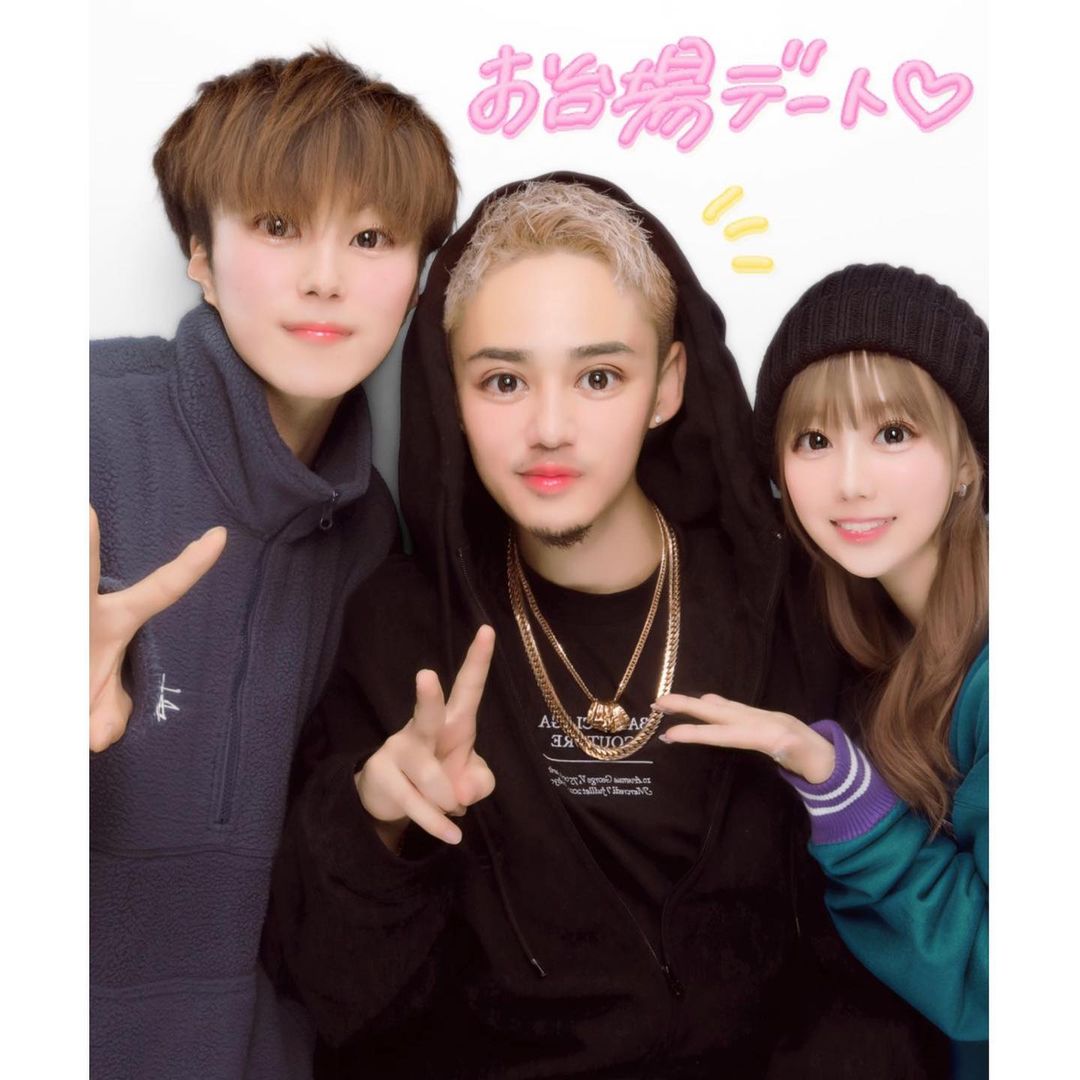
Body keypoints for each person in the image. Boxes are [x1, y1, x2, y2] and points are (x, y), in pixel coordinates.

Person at [266, 180, 946, 1078]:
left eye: (598, 377)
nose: (550, 429)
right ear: (450, 393)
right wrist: (376, 827)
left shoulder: (797, 604)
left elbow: (885, 969)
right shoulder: (400, 629)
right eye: (503, 380)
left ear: (667, 385)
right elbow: (339, 1002)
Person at [89, 49, 457, 1079]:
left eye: (372, 237)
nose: (326, 277)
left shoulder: (372, 535)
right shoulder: (70, 424)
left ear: (417, 279)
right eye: (279, 225)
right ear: (199, 256)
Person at [659, 263, 988, 1078]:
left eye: (893, 433)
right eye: (814, 440)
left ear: (968, 461)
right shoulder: (859, 629)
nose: (849, 482)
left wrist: (839, 786)